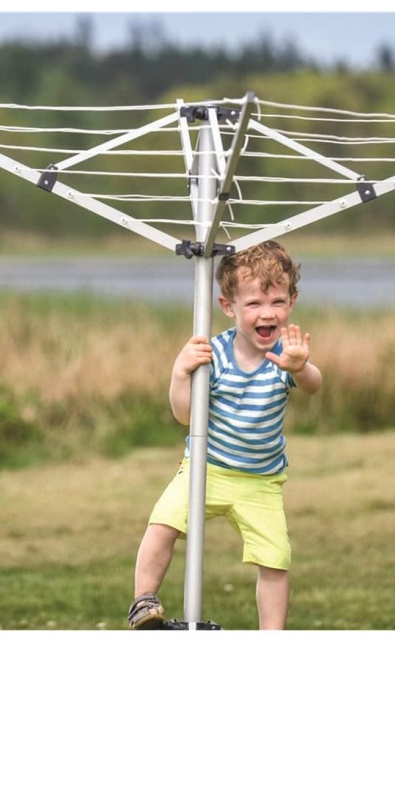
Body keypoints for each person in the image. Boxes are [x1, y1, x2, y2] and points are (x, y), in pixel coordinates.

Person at [128, 241, 322, 631]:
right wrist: (179, 373)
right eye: (254, 304)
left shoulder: (287, 354)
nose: (267, 313)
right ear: (228, 306)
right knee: (163, 522)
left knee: (275, 558)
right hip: (206, 468)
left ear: (292, 302)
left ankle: (272, 633)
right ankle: (143, 601)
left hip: (261, 480)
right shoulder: (211, 353)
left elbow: (315, 386)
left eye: (278, 302)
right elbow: (185, 415)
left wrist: (301, 368)